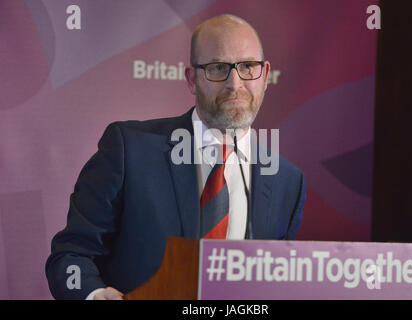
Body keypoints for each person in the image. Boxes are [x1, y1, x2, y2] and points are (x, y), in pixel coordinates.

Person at [45, 14, 306, 300]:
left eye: (247, 67)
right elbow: (71, 257)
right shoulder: (130, 150)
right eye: (218, 68)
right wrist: (96, 296)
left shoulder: (286, 182)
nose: (235, 83)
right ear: (192, 79)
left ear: (265, 75)